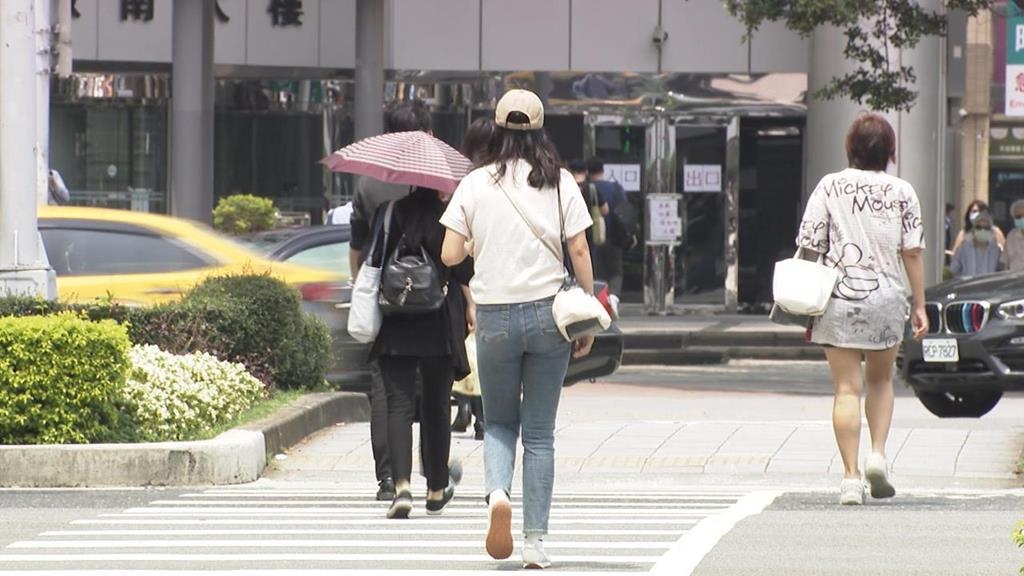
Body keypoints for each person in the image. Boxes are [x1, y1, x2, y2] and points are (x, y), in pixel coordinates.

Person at [440, 89, 595, 569]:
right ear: (540, 129)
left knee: (501, 421)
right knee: (541, 434)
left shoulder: (474, 183)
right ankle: (535, 543)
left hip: (494, 318)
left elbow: (449, 254)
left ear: (497, 128)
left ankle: (497, 497)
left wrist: (478, 244)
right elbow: (581, 251)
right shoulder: (560, 181)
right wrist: (588, 307)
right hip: (550, 317)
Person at [796, 113, 928, 506]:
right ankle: (878, 455)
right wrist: (920, 304)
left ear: (850, 149)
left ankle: (851, 478)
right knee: (881, 381)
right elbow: (913, 252)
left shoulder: (829, 186)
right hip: (887, 299)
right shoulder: (904, 191)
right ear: (890, 151)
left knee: (846, 389)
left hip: (837, 298)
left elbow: (810, 245)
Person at [370, 186, 473, 519]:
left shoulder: (390, 214)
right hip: (439, 321)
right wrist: (471, 305)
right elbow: (461, 271)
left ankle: (401, 487)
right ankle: (436, 489)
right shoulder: (449, 218)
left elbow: (374, 261)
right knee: (436, 406)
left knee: (399, 404)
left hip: (397, 320)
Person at [348, 101, 433, 502]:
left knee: (386, 390)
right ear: (426, 132)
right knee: (433, 387)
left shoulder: (369, 183)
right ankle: (434, 474)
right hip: (433, 300)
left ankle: (388, 478)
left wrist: (360, 287)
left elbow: (358, 246)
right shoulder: (442, 181)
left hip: (388, 300)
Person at [450, 116, 497, 441]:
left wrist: (468, 300)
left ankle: (469, 411)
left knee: (468, 352)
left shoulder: (465, 182)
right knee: (480, 354)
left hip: (467, 282)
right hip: (493, 282)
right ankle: (480, 415)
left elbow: (456, 255)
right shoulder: (501, 182)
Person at [586, 157, 633, 304]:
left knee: (597, 271)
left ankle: (600, 300)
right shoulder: (615, 188)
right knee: (615, 271)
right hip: (614, 235)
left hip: (593, 237)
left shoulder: (586, 188)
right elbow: (625, 211)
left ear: (588, 171)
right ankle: (613, 297)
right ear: (603, 170)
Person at [950, 210, 1002, 278]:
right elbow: (953, 270)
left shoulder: (996, 250)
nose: (982, 230)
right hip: (968, 287)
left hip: (989, 287)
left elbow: (1000, 271)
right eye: (979, 227)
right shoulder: (963, 248)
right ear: (973, 229)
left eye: (986, 228)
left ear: (990, 231)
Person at [569, 159, 608, 250]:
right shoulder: (592, 188)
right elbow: (605, 210)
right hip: (590, 232)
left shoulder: (566, 189)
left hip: (571, 233)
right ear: (586, 172)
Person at [1001, 199, 1024, 271]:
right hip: (1015, 280)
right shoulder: (1011, 236)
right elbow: (1004, 262)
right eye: (1018, 216)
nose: (1022, 219)